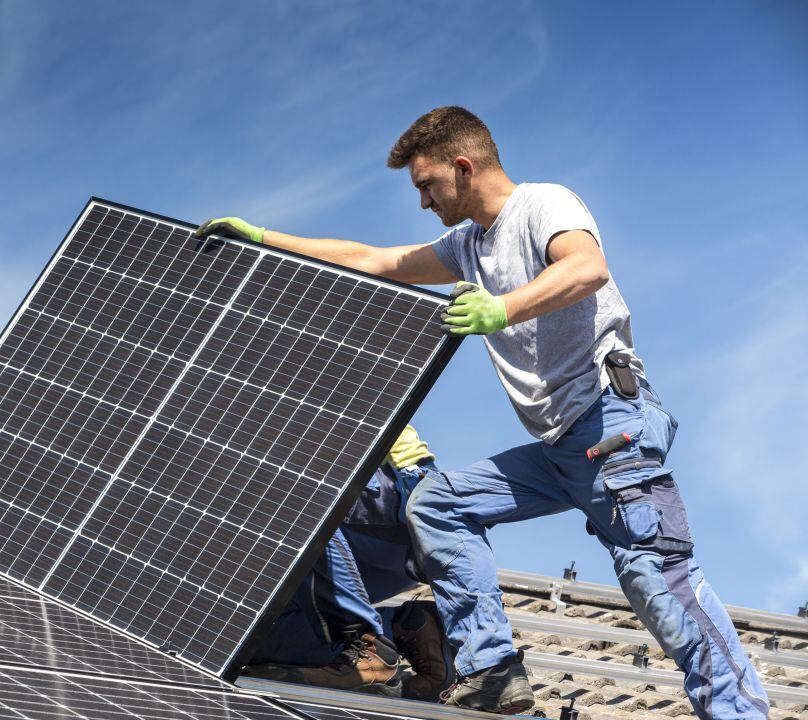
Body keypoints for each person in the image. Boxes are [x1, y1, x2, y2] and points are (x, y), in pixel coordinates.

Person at [195, 106, 768, 719]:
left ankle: (739, 714)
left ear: (462, 168)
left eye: (425, 186)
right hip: (557, 448)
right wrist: (261, 238)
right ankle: (491, 669)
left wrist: (503, 310)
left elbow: (587, 268)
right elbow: (377, 259)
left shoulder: (544, 205)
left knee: (658, 587)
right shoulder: (469, 245)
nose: (422, 202)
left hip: (611, 431)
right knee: (437, 504)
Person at [246, 426, 452, 701]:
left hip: (393, 499)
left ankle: (366, 641)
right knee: (239, 635)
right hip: (343, 549)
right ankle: (407, 626)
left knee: (287, 491)